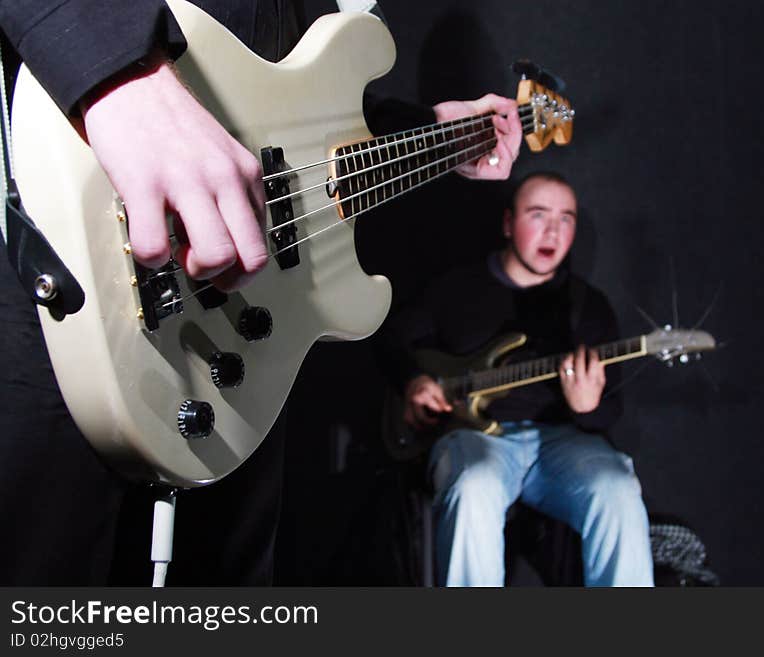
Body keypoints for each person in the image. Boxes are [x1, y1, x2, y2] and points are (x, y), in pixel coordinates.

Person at [0, 0, 521, 585]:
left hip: (241, 340)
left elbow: (297, 109)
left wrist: (435, 130)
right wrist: (119, 71)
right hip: (61, 240)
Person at [377, 172, 654, 586]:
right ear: (508, 223)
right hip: (474, 437)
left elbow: (610, 410)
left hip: (560, 444)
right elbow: (390, 338)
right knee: (474, 486)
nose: (553, 232)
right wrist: (413, 380)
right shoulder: (456, 289)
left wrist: (588, 407)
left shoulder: (587, 307)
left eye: (566, 219)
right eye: (538, 215)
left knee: (618, 490)